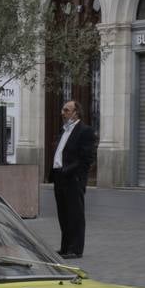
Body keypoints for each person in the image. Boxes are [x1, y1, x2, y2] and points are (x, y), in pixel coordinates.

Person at [49, 100, 96, 260]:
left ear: (76, 112)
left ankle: (76, 249)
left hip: (73, 179)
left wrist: (69, 171)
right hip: (59, 178)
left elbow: (86, 158)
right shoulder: (64, 130)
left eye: (66, 110)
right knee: (63, 214)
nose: (63, 112)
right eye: (63, 110)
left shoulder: (85, 131)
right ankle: (65, 247)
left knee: (75, 214)